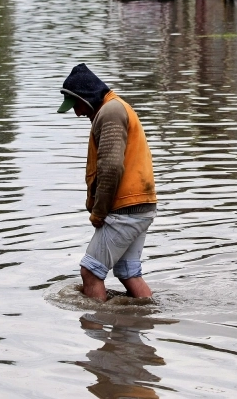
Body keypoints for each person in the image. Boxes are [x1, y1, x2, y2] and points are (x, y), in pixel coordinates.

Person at [57, 63, 158, 302]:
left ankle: (98, 331)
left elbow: (111, 167)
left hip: (126, 207)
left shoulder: (110, 112)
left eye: (77, 105)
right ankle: (145, 321)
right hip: (141, 206)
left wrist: (99, 212)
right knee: (128, 273)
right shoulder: (115, 108)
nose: (77, 113)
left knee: (90, 272)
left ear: (87, 97)